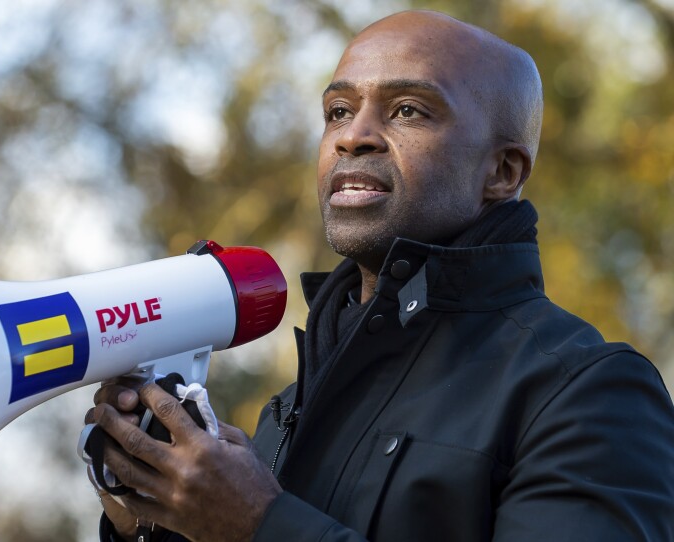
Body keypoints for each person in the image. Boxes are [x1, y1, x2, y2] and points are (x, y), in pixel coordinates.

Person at [84, 9, 674, 542]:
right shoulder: (287, 409)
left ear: (502, 170)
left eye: (407, 110)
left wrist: (260, 527)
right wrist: (149, 511)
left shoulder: (589, 393)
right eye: (337, 111)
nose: (352, 135)